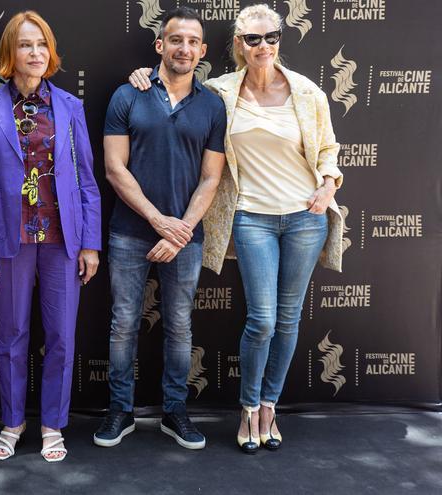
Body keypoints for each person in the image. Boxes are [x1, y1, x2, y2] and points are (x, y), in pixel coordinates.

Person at [128, 3, 345, 454]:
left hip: (306, 217)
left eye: (271, 37)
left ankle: (269, 405)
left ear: (279, 40)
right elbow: (176, 87)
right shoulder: (220, 90)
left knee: (288, 319)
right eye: (253, 39)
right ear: (238, 46)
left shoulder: (307, 92)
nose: (263, 46)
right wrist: (142, 78)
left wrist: (327, 185)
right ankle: (247, 407)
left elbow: (327, 148)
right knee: (262, 320)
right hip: (250, 217)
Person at [0, 10, 102, 463]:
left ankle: (52, 423)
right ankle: (12, 421)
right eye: (26, 45)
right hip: (10, 239)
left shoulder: (69, 106)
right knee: (11, 334)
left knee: (62, 335)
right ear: (9, 53)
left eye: (42, 44)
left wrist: (90, 242)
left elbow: (86, 178)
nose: (36, 53)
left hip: (62, 240)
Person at [94, 7, 226, 451]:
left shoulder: (212, 104)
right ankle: (119, 411)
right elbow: (114, 169)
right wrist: (157, 221)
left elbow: (212, 177)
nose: (184, 48)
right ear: (160, 46)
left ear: (202, 51)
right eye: (175, 40)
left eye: (192, 42)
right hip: (130, 232)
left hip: (185, 238)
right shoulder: (127, 96)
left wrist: (181, 229)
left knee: (180, 326)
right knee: (123, 323)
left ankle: (175, 411)